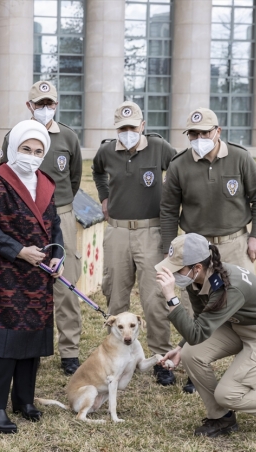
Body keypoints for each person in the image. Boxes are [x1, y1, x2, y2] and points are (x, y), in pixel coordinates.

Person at [160, 107, 256, 393]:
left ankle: (251, 370)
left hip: (234, 243)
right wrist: (172, 251)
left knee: (242, 305)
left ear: (217, 132)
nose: (198, 138)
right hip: (197, 247)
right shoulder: (179, 164)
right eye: (192, 134)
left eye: (204, 132)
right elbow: (169, 209)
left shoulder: (240, 157)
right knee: (199, 307)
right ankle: (194, 369)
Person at [0, 120, 64, 434]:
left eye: (38, 150)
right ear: (13, 148)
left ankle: (23, 400)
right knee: (6, 342)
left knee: (32, 340)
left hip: (38, 276)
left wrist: (58, 256)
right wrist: (18, 250)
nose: (32, 155)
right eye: (26, 149)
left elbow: (55, 226)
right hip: (3, 276)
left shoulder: (46, 184)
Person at [155, 233, 256, 439]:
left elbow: (197, 332)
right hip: (237, 325)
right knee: (191, 354)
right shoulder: (197, 280)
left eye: (177, 269)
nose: (173, 275)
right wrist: (181, 347)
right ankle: (222, 418)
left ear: (197, 267)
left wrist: (171, 298)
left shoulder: (228, 287)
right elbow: (201, 320)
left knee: (227, 394)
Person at [92, 101, 177, 386]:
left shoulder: (159, 148)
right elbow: (96, 171)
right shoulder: (106, 150)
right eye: (122, 128)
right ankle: (117, 357)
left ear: (142, 125)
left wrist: (170, 205)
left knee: (154, 299)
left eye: (132, 127)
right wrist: (104, 197)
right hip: (116, 230)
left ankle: (161, 358)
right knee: (115, 295)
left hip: (150, 231)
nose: (127, 132)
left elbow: (178, 173)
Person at [0, 80, 83, 375]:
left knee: (65, 281)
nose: (44, 109)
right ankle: (21, 343)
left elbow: (73, 180)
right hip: (23, 215)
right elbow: (5, 173)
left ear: (56, 106)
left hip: (60, 213)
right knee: (23, 281)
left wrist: (57, 209)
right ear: (29, 106)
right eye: (39, 104)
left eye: (50, 104)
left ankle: (69, 351)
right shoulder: (16, 135)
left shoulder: (69, 138)